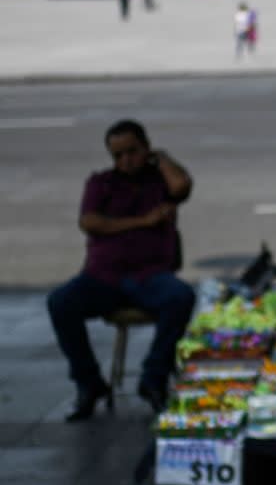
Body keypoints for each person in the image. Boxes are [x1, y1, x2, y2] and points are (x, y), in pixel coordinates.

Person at [47, 120, 196, 421]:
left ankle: (153, 378)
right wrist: (143, 221)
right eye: (118, 155)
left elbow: (182, 186)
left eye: (133, 152)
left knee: (180, 297)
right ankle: (89, 383)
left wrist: (162, 157)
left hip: (150, 276)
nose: (126, 160)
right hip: (104, 277)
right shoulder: (101, 183)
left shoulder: (159, 181)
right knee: (60, 302)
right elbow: (90, 222)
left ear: (145, 148)